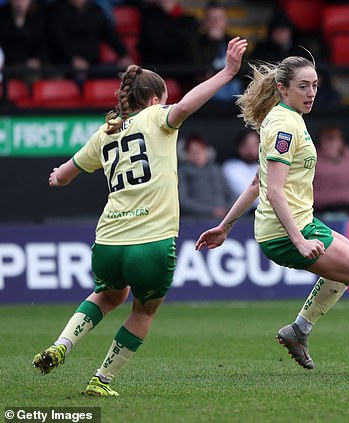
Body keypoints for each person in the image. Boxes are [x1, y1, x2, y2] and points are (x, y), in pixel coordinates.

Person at [195, 55, 349, 375]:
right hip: (289, 231)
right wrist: (299, 240)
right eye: (303, 86)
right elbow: (272, 190)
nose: (311, 92)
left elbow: (256, 183)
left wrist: (224, 226)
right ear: (282, 88)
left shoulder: (286, 117)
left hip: (298, 224)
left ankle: (299, 331)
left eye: (315, 85)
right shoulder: (285, 125)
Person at [32, 37, 248, 396]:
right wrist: (227, 72)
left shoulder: (106, 131)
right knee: (143, 311)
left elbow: (65, 175)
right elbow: (187, 106)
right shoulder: (157, 117)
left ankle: (62, 345)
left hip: (108, 242)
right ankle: (102, 379)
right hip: (151, 242)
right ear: (153, 100)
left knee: (108, 296)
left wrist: (56, 176)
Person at [47, 0, 133, 75]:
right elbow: (58, 41)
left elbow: (110, 35)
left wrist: (123, 54)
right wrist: (72, 59)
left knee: (121, 74)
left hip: (93, 65)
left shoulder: (95, 10)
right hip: (66, 65)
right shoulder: (56, 11)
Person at [188, 1, 242, 101]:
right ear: (205, 22)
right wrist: (214, 43)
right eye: (212, 19)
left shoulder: (235, 41)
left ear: (226, 21)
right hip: (207, 87)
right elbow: (199, 68)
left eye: (219, 19)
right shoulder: (195, 43)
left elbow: (243, 69)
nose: (216, 23)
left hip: (232, 86)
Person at [178, 133, 235, 219]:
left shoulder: (216, 169)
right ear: (186, 154)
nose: (197, 155)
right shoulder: (182, 171)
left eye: (200, 150)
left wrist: (228, 210)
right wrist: (212, 211)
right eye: (192, 152)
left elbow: (232, 195)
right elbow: (183, 201)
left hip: (224, 218)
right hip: (197, 220)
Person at [0, 0, 48, 77]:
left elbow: (42, 44)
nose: (20, 3)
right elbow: (3, 50)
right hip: (11, 65)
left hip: (36, 64)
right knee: (32, 76)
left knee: (55, 75)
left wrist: (39, 59)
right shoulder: (2, 19)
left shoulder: (37, 17)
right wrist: (24, 61)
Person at [222, 128, 260, 211]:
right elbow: (247, 195)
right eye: (246, 144)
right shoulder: (230, 167)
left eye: (255, 145)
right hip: (243, 215)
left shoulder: (265, 166)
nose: (251, 149)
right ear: (238, 146)